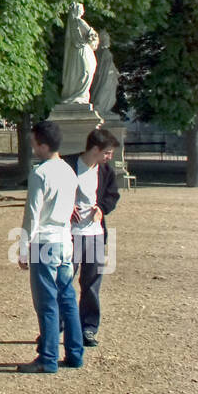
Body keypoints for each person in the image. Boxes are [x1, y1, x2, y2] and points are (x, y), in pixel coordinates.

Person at [16, 120, 83, 373]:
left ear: (43, 145)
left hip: (45, 241)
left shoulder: (40, 173)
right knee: (67, 298)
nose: (33, 146)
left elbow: (32, 214)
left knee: (46, 302)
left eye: (35, 142)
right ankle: (75, 353)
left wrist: (23, 247)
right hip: (65, 240)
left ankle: (48, 357)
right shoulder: (68, 170)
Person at [63, 128, 120, 348]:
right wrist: (67, 207)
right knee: (64, 281)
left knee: (92, 285)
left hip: (95, 234)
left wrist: (101, 209)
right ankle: (56, 326)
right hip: (70, 235)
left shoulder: (105, 171)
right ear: (95, 149)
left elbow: (112, 195)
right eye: (107, 152)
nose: (109, 157)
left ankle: (88, 328)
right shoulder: (67, 165)